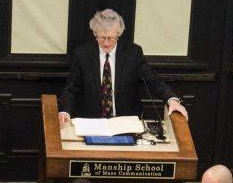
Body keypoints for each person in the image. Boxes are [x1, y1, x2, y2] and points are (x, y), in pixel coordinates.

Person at [58, 9, 188, 126]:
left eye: (111, 37)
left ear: (118, 35)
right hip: (92, 122)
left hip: (126, 121)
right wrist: (65, 111)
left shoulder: (133, 53)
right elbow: (72, 88)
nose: (106, 42)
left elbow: (153, 80)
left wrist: (172, 100)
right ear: (95, 33)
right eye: (102, 37)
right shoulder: (82, 54)